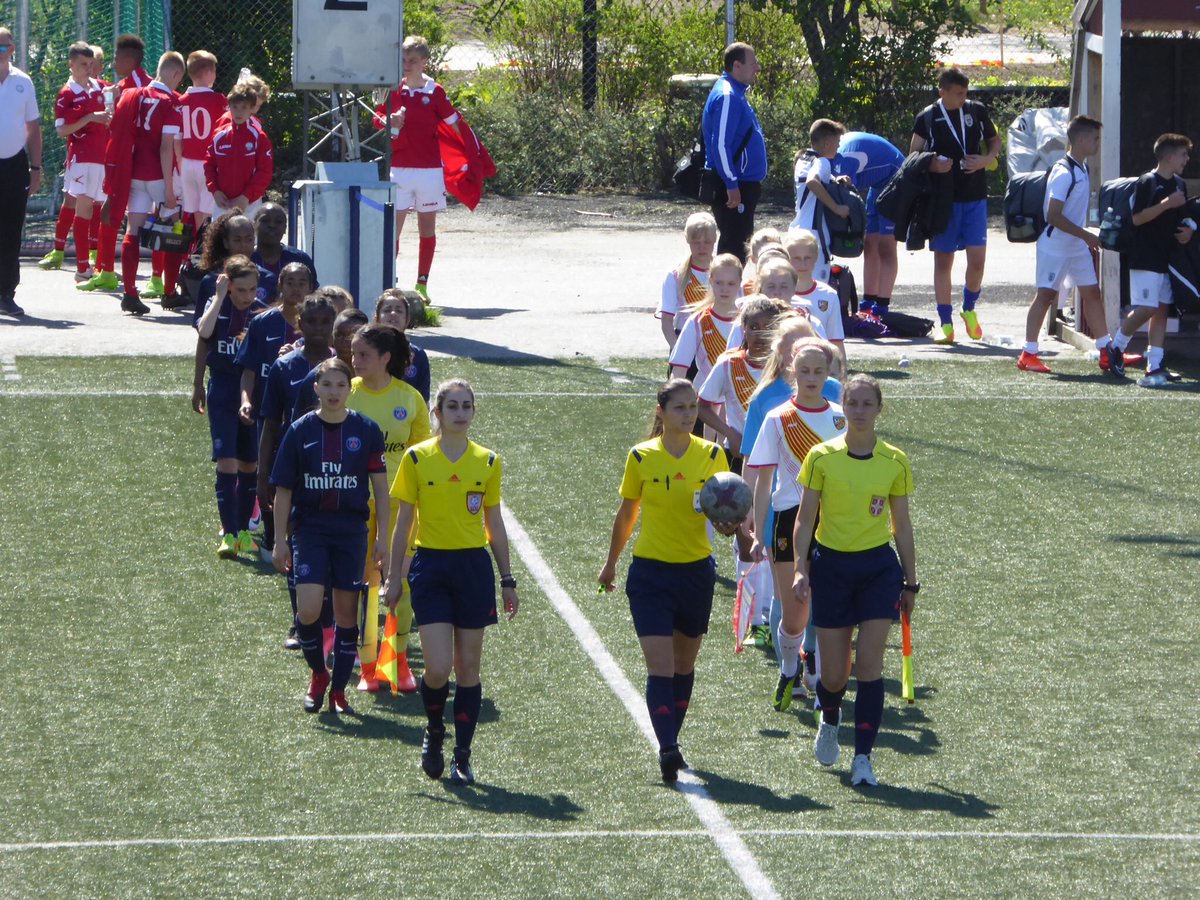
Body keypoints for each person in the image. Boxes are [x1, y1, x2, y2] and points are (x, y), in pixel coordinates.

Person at [598, 379, 735, 783]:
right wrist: (611, 564)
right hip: (650, 573)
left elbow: (724, 511)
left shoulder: (712, 454)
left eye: (693, 407)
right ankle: (668, 748)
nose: (689, 414)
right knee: (660, 666)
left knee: (683, 664)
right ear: (661, 412)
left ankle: (670, 737)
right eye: (679, 408)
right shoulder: (641, 457)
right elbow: (627, 514)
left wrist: (732, 529)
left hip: (695, 573)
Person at [384, 379, 520, 786]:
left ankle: (463, 753)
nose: (460, 413)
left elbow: (493, 522)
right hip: (431, 568)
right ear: (438, 413)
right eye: (453, 406)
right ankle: (434, 730)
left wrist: (507, 578)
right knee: (439, 668)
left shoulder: (489, 461)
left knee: (468, 669)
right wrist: (394, 576)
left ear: (473, 413)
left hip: (472, 570)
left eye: (467, 406)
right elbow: (403, 522)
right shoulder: (417, 459)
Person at [792, 374, 918, 787]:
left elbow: (901, 524)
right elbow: (805, 518)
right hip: (831, 569)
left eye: (868, 404)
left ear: (880, 409)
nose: (860, 411)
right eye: (853, 403)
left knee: (869, 666)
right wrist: (800, 567)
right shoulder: (821, 457)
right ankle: (830, 716)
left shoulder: (895, 460)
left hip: (878, 571)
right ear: (842, 408)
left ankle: (863, 757)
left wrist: (911, 582)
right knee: (833, 676)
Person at [271, 357, 390, 716]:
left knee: (346, 616)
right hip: (311, 530)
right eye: (327, 385)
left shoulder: (367, 430)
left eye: (341, 385)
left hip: (352, 532)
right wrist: (279, 539)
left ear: (349, 389)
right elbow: (284, 490)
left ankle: (338, 691)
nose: (334, 392)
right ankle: (318, 674)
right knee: (307, 611)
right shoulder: (300, 430)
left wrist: (382, 537)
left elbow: (381, 491)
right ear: (316, 389)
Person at [747, 338, 847, 711]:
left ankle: (818, 675)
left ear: (829, 374)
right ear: (792, 371)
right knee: (794, 612)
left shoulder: (840, 417)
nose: (811, 377)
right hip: (788, 518)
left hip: (831, 519)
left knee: (826, 605)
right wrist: (757, 531)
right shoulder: (778, 418)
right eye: (803, 371)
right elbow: (762, 478)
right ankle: (790, 667)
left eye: (818, 371)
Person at [346, 325, 431, 694]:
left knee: (402, 581)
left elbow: (422, 457)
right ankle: (367, 667)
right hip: (353, 503)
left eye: (363, 354)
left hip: (400, 506)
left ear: (385, 358)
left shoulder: (410, 399)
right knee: (364, 582)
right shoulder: (346, 393)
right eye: (353, 354)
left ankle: (397, 664)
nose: (355, 361)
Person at [258, 293, 338, 646]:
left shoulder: (343, 367)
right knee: (296, 545)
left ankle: (331, 621)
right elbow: (270, 425)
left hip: (338, 470)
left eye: (325, 322)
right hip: (296, 471)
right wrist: (264, 478)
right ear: (299, 325)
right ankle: (300, 622)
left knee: (335, 547)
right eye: (312, 322)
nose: (319, 329)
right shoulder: (284, 367)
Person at [910, 66, 1000, 343]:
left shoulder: (976, 111)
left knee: (977, 259)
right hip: (943, 199)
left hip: (975, 196)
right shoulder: (927, 117)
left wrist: (986, 160)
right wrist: (933, 165)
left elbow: (994, 141)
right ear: (942, 92)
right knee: (943, 260)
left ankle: (969, 309)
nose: (964, 98)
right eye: (958, 94)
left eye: (966, 93)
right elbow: (912, 155)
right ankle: (945, 322)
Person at [373, 35, 463, 303]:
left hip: (429, 171)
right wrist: (390, 120)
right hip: (399, 169)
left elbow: (455, 123)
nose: (407, 64)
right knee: (393, 230)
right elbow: (377, 120)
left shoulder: (435, 91)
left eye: (412, 60)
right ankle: (390, 284)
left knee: (427, 228)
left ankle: (422, 284)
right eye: (403, 59)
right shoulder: (392, 89)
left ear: (425, 62)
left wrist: (469, 154)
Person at [1102, 133, 1196, 387]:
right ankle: (1116, 347)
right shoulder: (1147, 182)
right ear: (1168, 156)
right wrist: (1166, 204)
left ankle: (1154, 364)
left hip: (1169, 257)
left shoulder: (1179, 184)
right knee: (1147, 307)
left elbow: (1184, 216)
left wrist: (1189, 229)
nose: (1186, 159)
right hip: (1145, 255)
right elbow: (1137, 219)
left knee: (1163, 309)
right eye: (1182, 154)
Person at [1018, 116, 1106, 374]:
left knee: (1092, 293)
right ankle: (1028, 353)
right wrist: (1086, 235)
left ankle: (1106, 350)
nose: (1098, 143)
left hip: (1075, 245)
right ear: (1081, 140)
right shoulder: (1063, 171)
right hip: (1055, 244)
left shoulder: (1083, 167)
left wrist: (1082, 237)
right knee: (1045, 296)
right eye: (1095, 138)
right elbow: (1053, 216)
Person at [196, 255, 268, 559]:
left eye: (252, 290)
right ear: (228, 286)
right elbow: (203, 333)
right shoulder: (220, 306)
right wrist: (219, 296)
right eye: (241, 290)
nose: (247, 296)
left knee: (250, 464)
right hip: (223, 390)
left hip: (252, 392)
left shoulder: (261, 315)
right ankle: (228, 532)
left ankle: (241, 532)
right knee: (226, 461)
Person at [75, 34, 152, 297]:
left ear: (129, 60)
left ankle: (156, 278)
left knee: (129, 216)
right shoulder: (122, 84)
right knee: (110, 212)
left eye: (117, 58)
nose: (114, 63)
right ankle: (105, 271)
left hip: (132, 162)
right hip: (119, 159)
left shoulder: (143, 85)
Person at [111, 51, 186, 316]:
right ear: (176, 74)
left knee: (133, 230)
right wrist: (169, 189)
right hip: (157, 175)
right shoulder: (170, 102)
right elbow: (166, 148)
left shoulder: (136, 94)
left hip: (134, 173)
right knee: (174, 230)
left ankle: (130, 292)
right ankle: (168, 291)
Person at [160, 49, 227, 308]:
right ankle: (201, 271)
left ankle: (187, 271)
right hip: (207, 164)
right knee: (209, 221)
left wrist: (179, 166)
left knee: (190, 218)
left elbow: (176, 141)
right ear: (209, 73)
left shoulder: (181, 99)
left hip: (186, 163)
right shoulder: (219, 100)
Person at [41, 42, 109, 281]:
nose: (88, 69)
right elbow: (62, 131)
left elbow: (115, 98)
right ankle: (82, 268)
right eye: (83, 65)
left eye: (91, 64)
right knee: (83, 208)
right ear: (71, 65)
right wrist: (90, 117)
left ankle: (98, 264)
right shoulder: (66, 94)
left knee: (98, 209)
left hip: (102, 158)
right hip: (82, 160)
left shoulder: (98, 87)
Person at [702, 42, 766, 262]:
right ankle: (724, 295)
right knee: (734, 248)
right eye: (753, 62)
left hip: (742, 184)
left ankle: (729, 293)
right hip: (735, 185)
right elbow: (720, 144)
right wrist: (732, 184)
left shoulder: (736, 92)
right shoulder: (728, 96)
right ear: (737, 65)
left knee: (738, 244)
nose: (758, 67)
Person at [835, 131, 906, 313]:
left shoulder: (845, 159)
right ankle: (868, 302)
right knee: (870, 243)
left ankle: (882, 306)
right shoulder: (828, 158)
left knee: (886, 245)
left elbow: (841, 198)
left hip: (898, 180)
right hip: (878, 184)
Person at [0, 26, 42, 318]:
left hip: (15, 164)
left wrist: (36, 167)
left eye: (2, 47)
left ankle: (6, 292)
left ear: (12, 49)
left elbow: (33, 128)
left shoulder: (23, 82)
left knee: (11, 230)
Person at [668, 253, 742, 388]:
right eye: (719, 283)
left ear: (739, 283)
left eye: (731, 283)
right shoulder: (697, 321)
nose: (725, 289)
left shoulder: (749, 321)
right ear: (711, 281)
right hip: (705, 401)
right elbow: (679, 370)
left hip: (739, 402)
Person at [790, 118, 847, 284]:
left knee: (798, 285)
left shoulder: (803, 159)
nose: (838, 146)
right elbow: (813, 182)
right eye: (837, 141)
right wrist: (837, 208)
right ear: (828, 143)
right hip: (815, 235)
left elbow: (817, 179)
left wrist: (836, 179)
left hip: (797, 229)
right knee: (817, 286)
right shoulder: (822, 162)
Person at [205, 82, 273, 219]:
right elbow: (209, 165)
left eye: (244, 107)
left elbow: (265, 172)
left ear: (252, 109)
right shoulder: (219, 135)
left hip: (249, 204)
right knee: (218, 240)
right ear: (229, 107)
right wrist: (215, 191)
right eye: (235, 107)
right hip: (222, 203)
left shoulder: (259, 137)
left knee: (249, 239)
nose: (239, 112)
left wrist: (246, 196)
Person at [784, 230, 846, 366]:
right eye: (796, 259)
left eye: (807, 258)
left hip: (819, 367)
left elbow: (836, 341)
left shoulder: (829, 295)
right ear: (787, 259)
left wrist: (842, 380)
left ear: (816, 258)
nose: (803, 264)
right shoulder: (779, 294)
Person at [656, 212, 717, 349]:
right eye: (696, 243)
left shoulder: (725, 272)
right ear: (687, 239)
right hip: (685, 341)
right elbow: (666, 320)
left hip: (718, 343)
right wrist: (677, 351)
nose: (702, 248)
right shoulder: (675, 275)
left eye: (707, 242)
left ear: (715, 239)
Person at [374, 288, 431, 402]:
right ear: (377, 318)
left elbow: (423, 400)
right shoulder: (368, 351)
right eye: (387, 310)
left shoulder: (418, 355)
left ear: (407, 319)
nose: (393, 314)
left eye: (399, 311)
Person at [251, 202, 317, 288]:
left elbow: (314, 293)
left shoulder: (300, 259)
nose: (272, 225)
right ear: (254, 225)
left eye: (278, 222)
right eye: (265, 220)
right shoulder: (246, 259)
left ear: (285, 228)